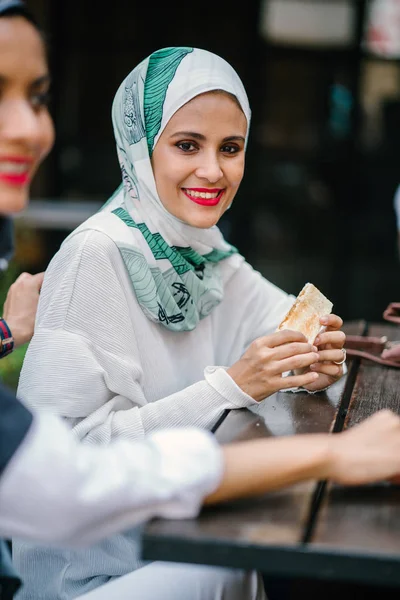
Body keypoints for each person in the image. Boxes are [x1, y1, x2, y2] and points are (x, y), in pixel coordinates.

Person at [1, 11, 400, 598]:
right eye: (187, 144)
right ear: (139, 148)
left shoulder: (201, 249)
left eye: (231, 147)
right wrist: (234, 385)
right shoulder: (95, 254)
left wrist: (318, 354)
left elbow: (283, 318)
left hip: (179, 527)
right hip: (91, 574)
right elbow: (71, 457)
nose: (213, 171)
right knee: (251, 563)